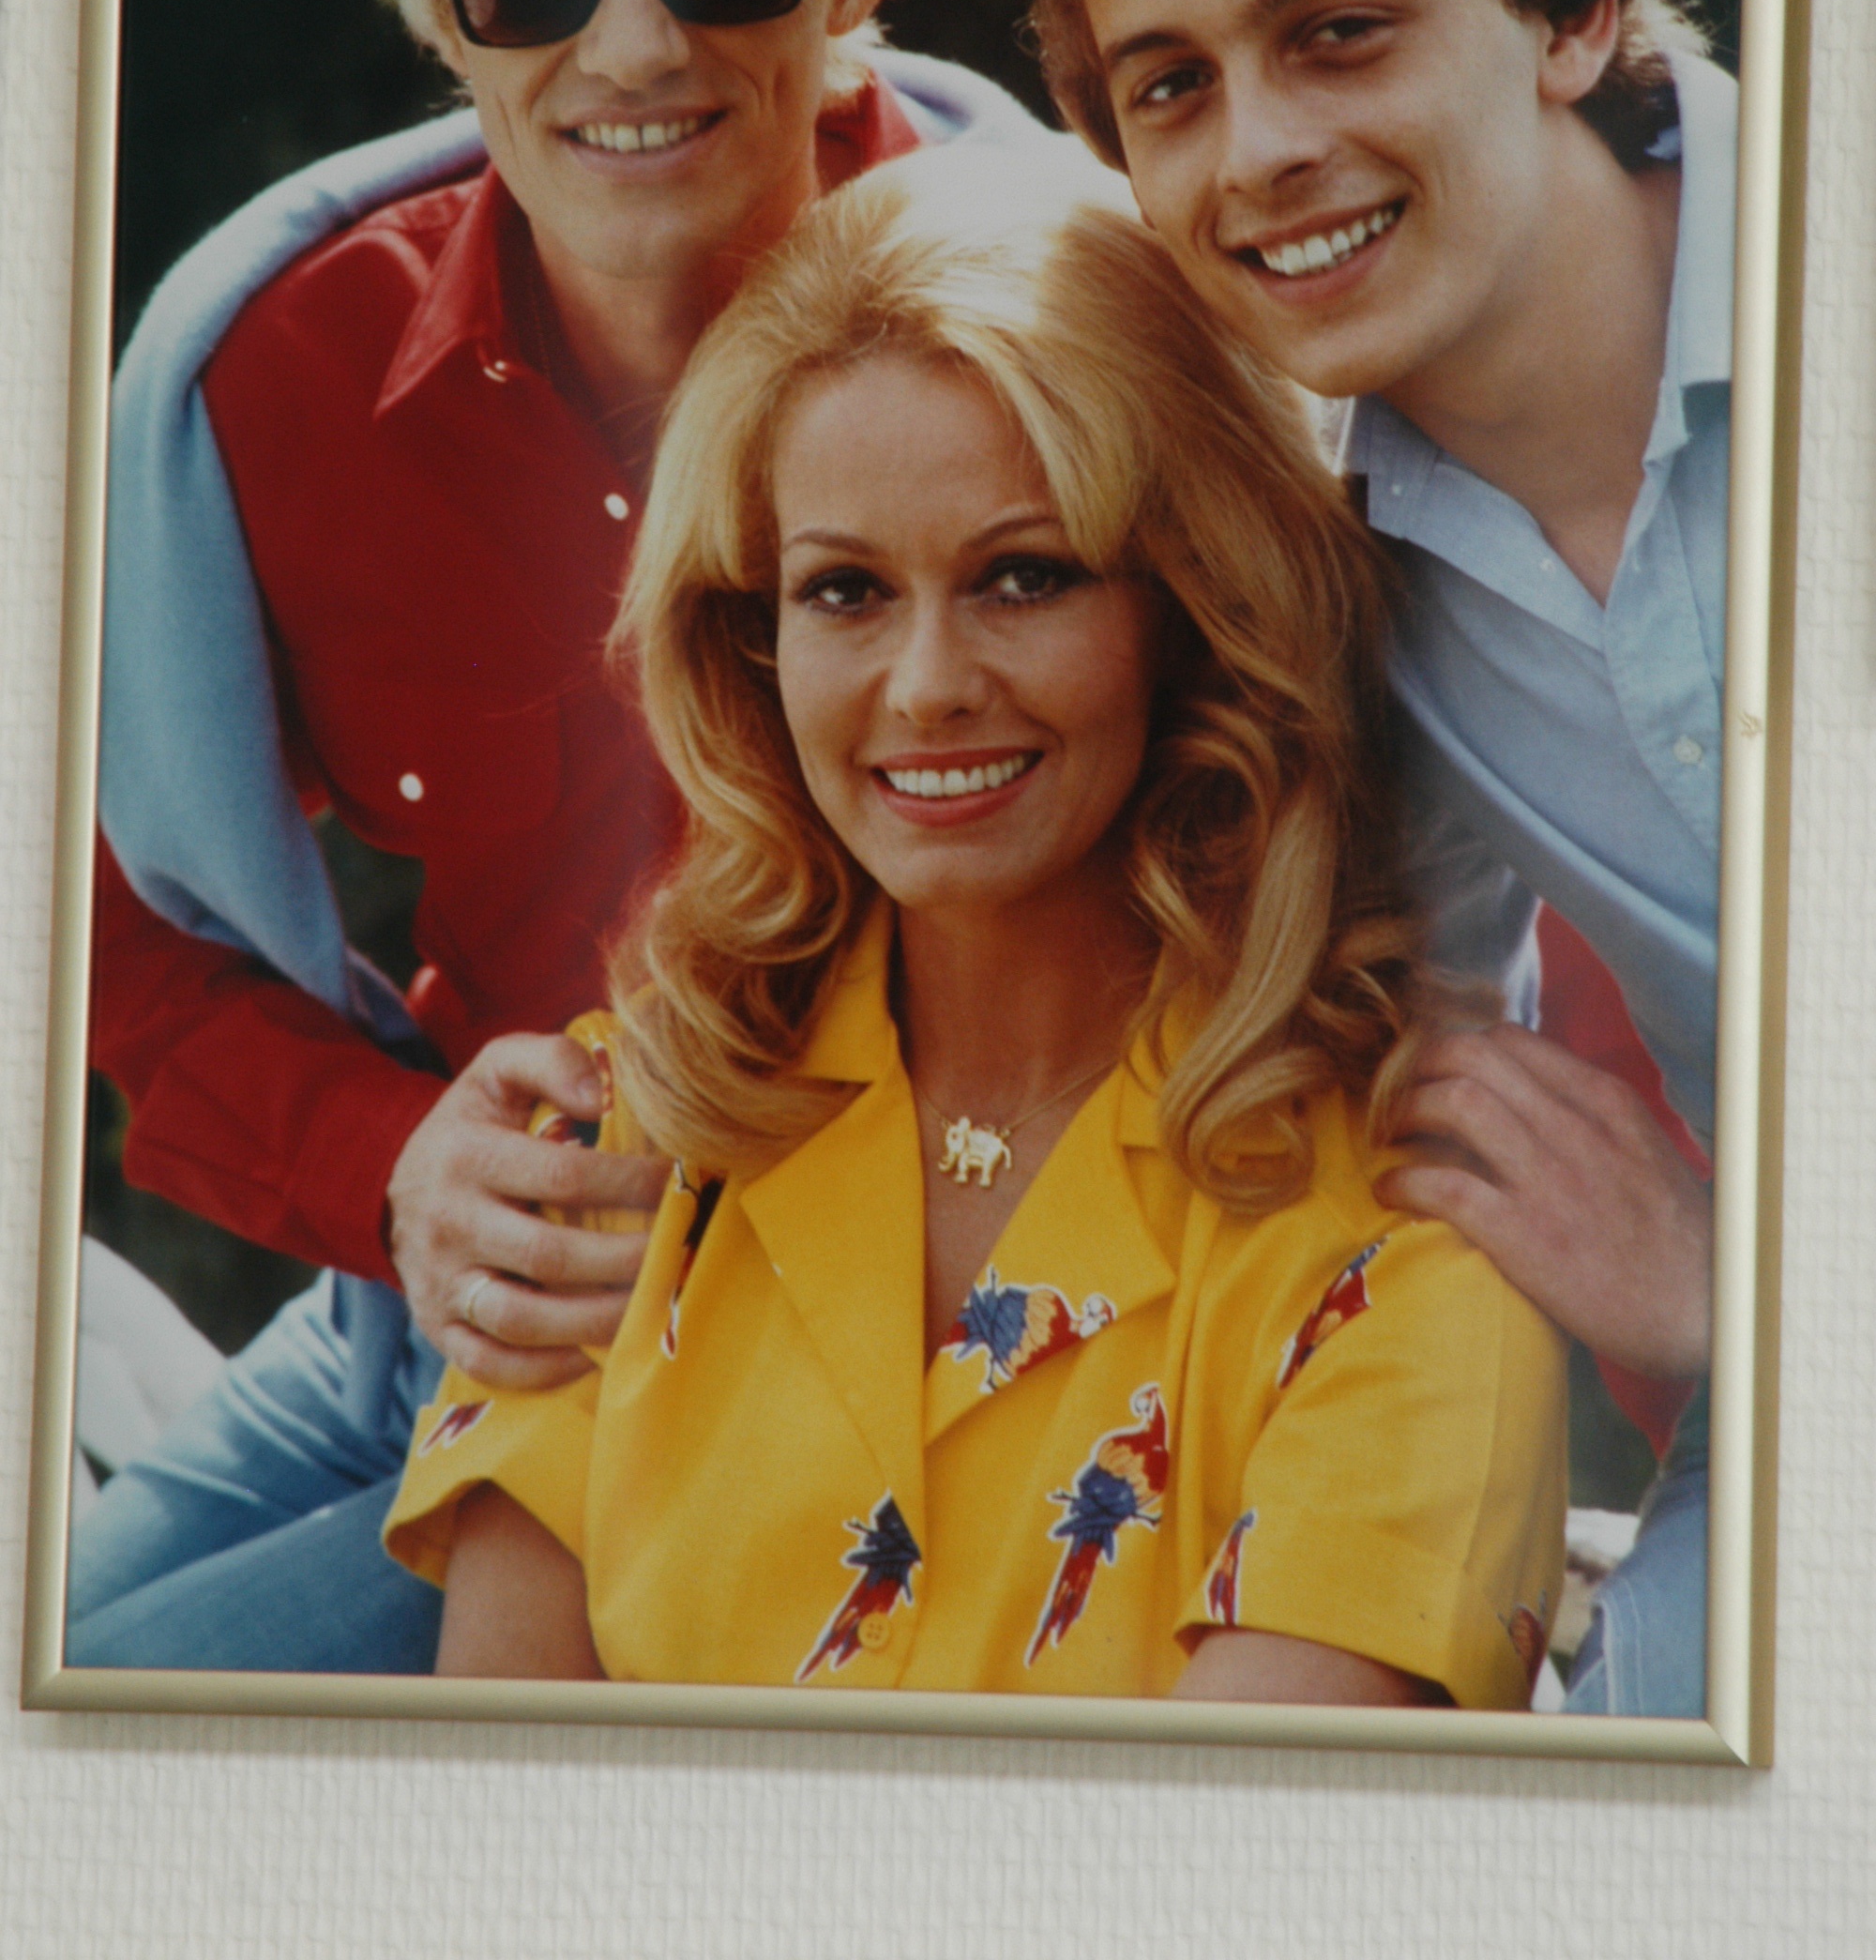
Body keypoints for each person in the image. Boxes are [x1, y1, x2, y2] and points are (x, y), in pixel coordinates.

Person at [72, 0, 1043, 1673]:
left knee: (129, 1731)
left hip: (859, 1347)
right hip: (425, 1296)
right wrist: (399, 1168)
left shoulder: (1061, 347)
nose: (631, 42)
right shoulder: (266, 378)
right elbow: (112, 921)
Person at [384, 145, 1566, 1704]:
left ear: (1192, 607)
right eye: (846, 593)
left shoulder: (1418, 1247)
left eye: (1024, 576)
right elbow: (492, 1838)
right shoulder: (611, 1152)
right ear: (753, 635)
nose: (927, 684)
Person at [1005, 0, 1727, 1715]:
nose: (1264, 154)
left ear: (1569, 7)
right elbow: (1362, 1077)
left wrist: (1731, 1290)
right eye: (1169, 87)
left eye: (1339, 28)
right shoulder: (1318, 579)